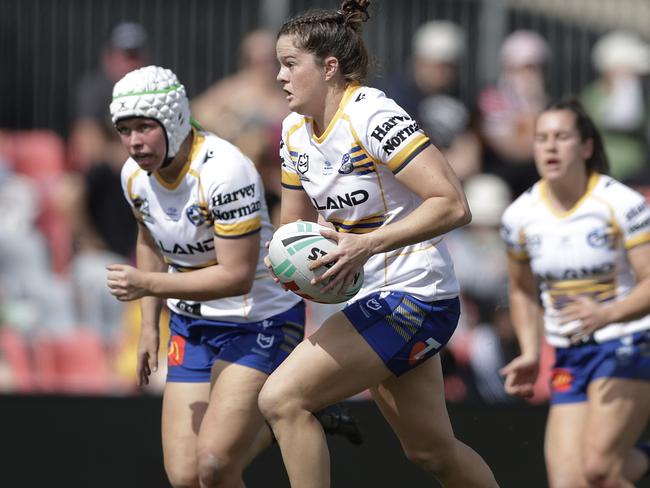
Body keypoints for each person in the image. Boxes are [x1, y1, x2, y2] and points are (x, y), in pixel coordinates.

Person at [258, 2, 499, 487]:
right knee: (431, 451)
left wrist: (365, 245)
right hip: (368, 300)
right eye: (278, 64)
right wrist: (290, 264)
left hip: (415, 293)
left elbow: (452, 205)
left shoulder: (371, 114)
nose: (279, 76)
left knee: (281, 399)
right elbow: (294, 232)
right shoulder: (291, 132)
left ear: (329, 67)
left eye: (290, 64)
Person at [105, 65, 360, 488]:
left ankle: (285, 415)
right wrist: (149, 325)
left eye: (144, 127)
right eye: (124, 129)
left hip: (256, 320)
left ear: (172, 121)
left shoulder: (224, 171)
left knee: (215, 465)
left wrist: (148, 286)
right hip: (191, 323)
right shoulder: (133, 176)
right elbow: (149, 241)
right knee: (186, 476)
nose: (133, 141)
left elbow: (236, 277)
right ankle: (278, 422)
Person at [499, 99, 650, 487]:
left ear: (585, 148)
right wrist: (531, 352)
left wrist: (608, 314)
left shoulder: (621, 204)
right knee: (569, 482)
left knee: (599, 468)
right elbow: (521, 290)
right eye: (542, 138)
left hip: (629, 341)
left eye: (562, 137)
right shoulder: (519, 216)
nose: (550, 147)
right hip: (569, 351)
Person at [477, 29, 550, 197]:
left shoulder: (547, 103)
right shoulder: (491, 99)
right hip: (501, 182)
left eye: (534, 68)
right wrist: (532, 109)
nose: (529, 75)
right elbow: (515, 150)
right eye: (523, 68)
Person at [580, 30, 650, 184]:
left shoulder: (642, 98)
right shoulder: (593, 96)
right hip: (606, 176)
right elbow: (621, 117)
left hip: (639, 176)